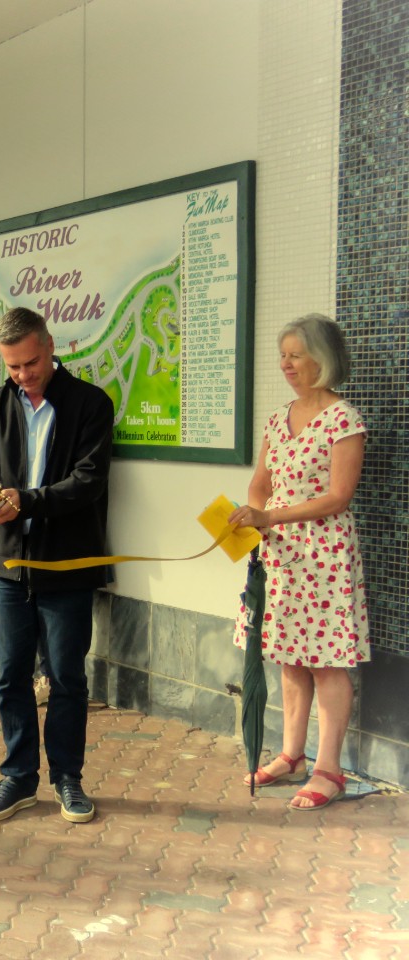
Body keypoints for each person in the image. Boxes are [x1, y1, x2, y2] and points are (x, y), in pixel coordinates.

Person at [0, 307, 113, 825]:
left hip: (67, 564)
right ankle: (18, 778)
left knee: (66, 678)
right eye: (13, 367)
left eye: (31, 363)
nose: (23, 375)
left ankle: (68, 778)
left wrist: (30, 501)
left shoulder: (90, 403)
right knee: (10, 676)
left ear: (50, 344)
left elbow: (89, 480)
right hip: (7, 566)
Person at [230, 314, 367, 811]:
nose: (285, 364)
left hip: (324, 554)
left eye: (295, 354)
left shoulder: (343, 419)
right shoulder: (278, 417)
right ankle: (291, 754)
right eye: (282, 354)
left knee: (327, 662)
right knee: (289, 655)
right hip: (281, 553)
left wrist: (272, 515)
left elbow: (338, 496)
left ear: (322, 360)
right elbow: (260, 483)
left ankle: (328, 768)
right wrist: (256, 515)